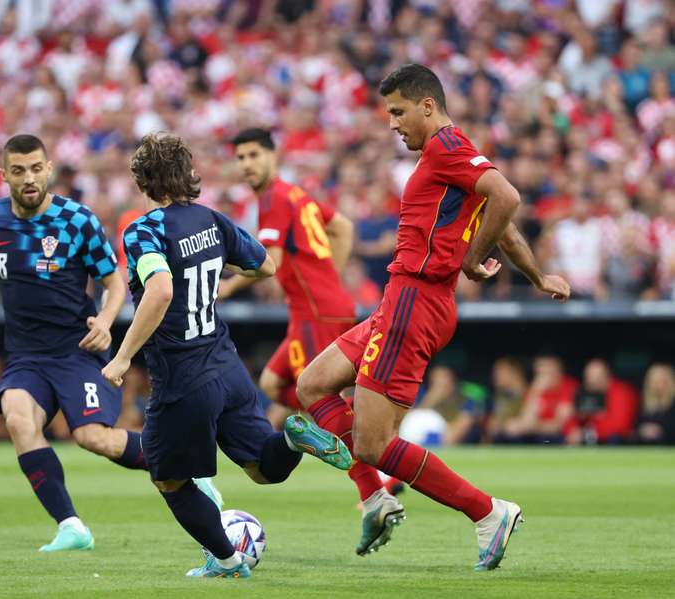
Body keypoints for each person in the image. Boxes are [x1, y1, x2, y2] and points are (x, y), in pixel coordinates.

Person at [295, 64, 571, 571]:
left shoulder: (446, 145)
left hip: (414, 301)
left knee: (374, 443)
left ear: (427, 105)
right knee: (312, 385)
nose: (392, 123)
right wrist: (536, 277)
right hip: (403, 300)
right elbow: (503, 224)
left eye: (398, 112)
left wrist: (470, 259)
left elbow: (507, 198)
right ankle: (375, 497)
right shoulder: (451, 157)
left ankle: (488, 511)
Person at [101, 133, 352, 579]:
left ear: (145, 182)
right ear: (186, 174)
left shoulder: (144, 229)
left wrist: (122, 358)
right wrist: (216, 271)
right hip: (228, 366)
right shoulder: (212, 221)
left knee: (168, 479)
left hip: (182, 378)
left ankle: (227, 560)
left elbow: (159, 290)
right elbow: (266, 265)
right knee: (262, 469)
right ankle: (293, 438)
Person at [0, 134, 160, 553]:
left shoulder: (77, 220)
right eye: (19, 170)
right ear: (4, 174)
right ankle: (71, 525)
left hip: (76, 350)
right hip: (26, 356)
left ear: (49, 170)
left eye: (36, 168)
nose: (28, 178)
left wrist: (107, 320)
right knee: (18, 420)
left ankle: (182, 465)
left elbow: (113, 281)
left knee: (93, 438)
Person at [225, 127, 405, 555]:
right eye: (241, 158)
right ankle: (356, 449)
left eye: (254, 155)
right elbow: (341, 227)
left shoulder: (273, 198)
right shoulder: (294, 194)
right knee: (273, 385)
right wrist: (329, 280)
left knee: (317, 400)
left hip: (314, 315)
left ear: (273, 155)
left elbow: (268, 261)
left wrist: (223, 286)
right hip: (317, 309)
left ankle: (373, 491)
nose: (247, 164)